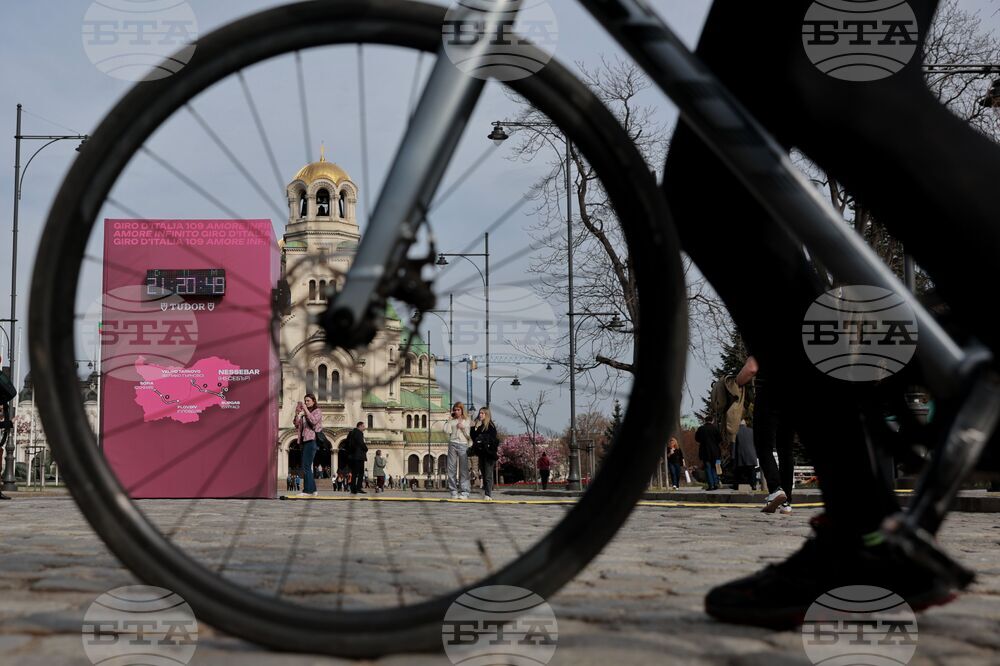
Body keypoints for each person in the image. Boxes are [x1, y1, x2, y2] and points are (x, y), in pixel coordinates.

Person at [293, 394, 323, 497]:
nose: (306, 403)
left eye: (308, 401)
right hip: (304, 441)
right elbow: (296, 425)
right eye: (305, 401)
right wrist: (296, 414)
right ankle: (313, 490)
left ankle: (307, 491)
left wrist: (305, 410)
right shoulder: (304, 415)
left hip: (312, 440)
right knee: (307, 466)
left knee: (306, 466)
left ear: (314, 401)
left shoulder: (317, 411)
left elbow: (314, 421)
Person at [471, 407, 500, 500]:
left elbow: (491, 439)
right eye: (480, 413)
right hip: (482, 454)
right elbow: (474, 437)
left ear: (487, 415)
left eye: (482, 413)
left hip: (489, 454)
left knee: (488, 474)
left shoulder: (491, 426)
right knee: (483, 473)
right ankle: (486, 492)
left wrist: (482, 438)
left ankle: (488, 494)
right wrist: (473, 427)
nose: (480, 415)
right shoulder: (481, 426)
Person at [444, 402, 471, 499]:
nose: (456, 411)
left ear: (462, 410)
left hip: (463, 444)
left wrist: (463, 428)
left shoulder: (467, 420)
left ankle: (464, 492)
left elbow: (469, 435)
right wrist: (448, 421)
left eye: (458, 410)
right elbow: (446, 431)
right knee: (451, 468)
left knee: (463, 469)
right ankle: (453, 491)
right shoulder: (452, 421)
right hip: (452, 443)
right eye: (455, 410)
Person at [696, 415, 723, 491]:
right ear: (712, 420)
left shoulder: (701, 429)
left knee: (708, 468)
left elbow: (697, 439)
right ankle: (715, 483)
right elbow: (720, 439)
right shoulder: (715, 429)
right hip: (715, 452)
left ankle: (710, 485)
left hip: (705, 451)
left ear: (705, 421)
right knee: (714, 468)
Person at [733, 419, 758, 492]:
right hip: (751, 454)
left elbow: (734, 445)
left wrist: (733, 456)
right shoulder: (752, 431)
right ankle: (753, 485)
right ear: (745, 424)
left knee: (741, 472)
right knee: (752, 471)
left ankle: (740, 485)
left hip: (741, 455)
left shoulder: (736, 432)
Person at [346, 421, 367, 494]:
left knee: (354, 473)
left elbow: (347, 442)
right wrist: (366, 448)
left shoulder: (351, 433)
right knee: (361, 473)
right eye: (363, 426)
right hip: (359, 456)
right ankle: (358, 488)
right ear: (360, 426)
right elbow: (361, 443)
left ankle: (353, 489)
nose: (364, 428)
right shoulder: (359, 433)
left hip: (353, 456)